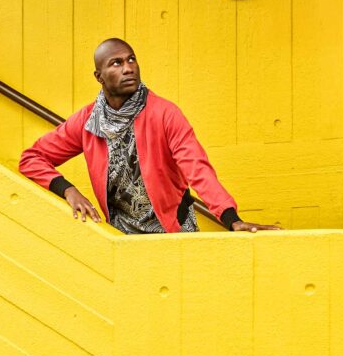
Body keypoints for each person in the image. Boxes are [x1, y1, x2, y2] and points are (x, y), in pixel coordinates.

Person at [19, 38, 280, 234]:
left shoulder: (165, 113)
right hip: (120, 239)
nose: (128, 68)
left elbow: (197, 167)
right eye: (116, 63)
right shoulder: (87, 122)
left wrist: (231, 218)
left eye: (131, 59)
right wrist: (68, 190)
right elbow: (32, 158)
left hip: (173, 233)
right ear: (99, 76)